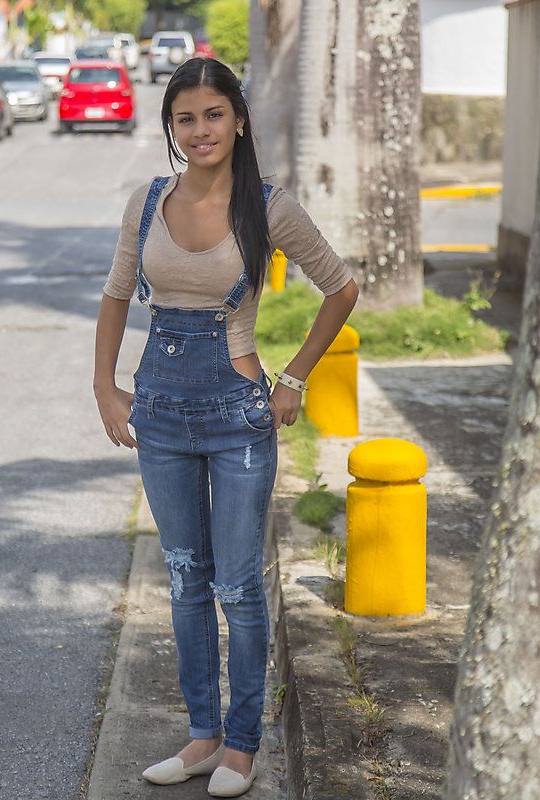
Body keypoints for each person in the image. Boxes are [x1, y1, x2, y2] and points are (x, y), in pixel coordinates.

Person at [92, 57, 359, 797]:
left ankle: (242, 745)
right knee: (184, 582)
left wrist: (296, 378)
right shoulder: (148, 202)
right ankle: (202, 737)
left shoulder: (269, 207)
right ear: (171, 127)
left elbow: (342, 287)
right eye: (186, 118)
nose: (200, 129)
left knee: (238, 588)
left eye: (213, 114)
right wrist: (105, 389)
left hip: (239, 417)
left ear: (238, 119)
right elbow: (117, 294)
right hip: (161, 415)